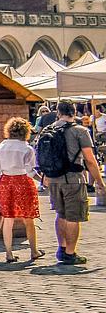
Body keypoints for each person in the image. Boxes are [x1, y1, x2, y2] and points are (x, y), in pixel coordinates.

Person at [37, 100, 103, 266]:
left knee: (61, 214)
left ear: (58, 113)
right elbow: (90, 159)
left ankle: (62, 248)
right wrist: (100, 182)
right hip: (73, 179)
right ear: (74, 112)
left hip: (53, 179)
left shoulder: (47, 130)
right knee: (74, 216)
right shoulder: (80, 131)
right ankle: (70, 253)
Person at [0, 116, 41, 263]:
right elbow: (30, 171)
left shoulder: (0, 147)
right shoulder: (27, 148)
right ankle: (34, 251)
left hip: (5, 183)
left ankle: (9, 253)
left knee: (8, 218)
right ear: (25, 132)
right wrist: (44, 180)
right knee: (28, 218)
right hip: (23, 183)